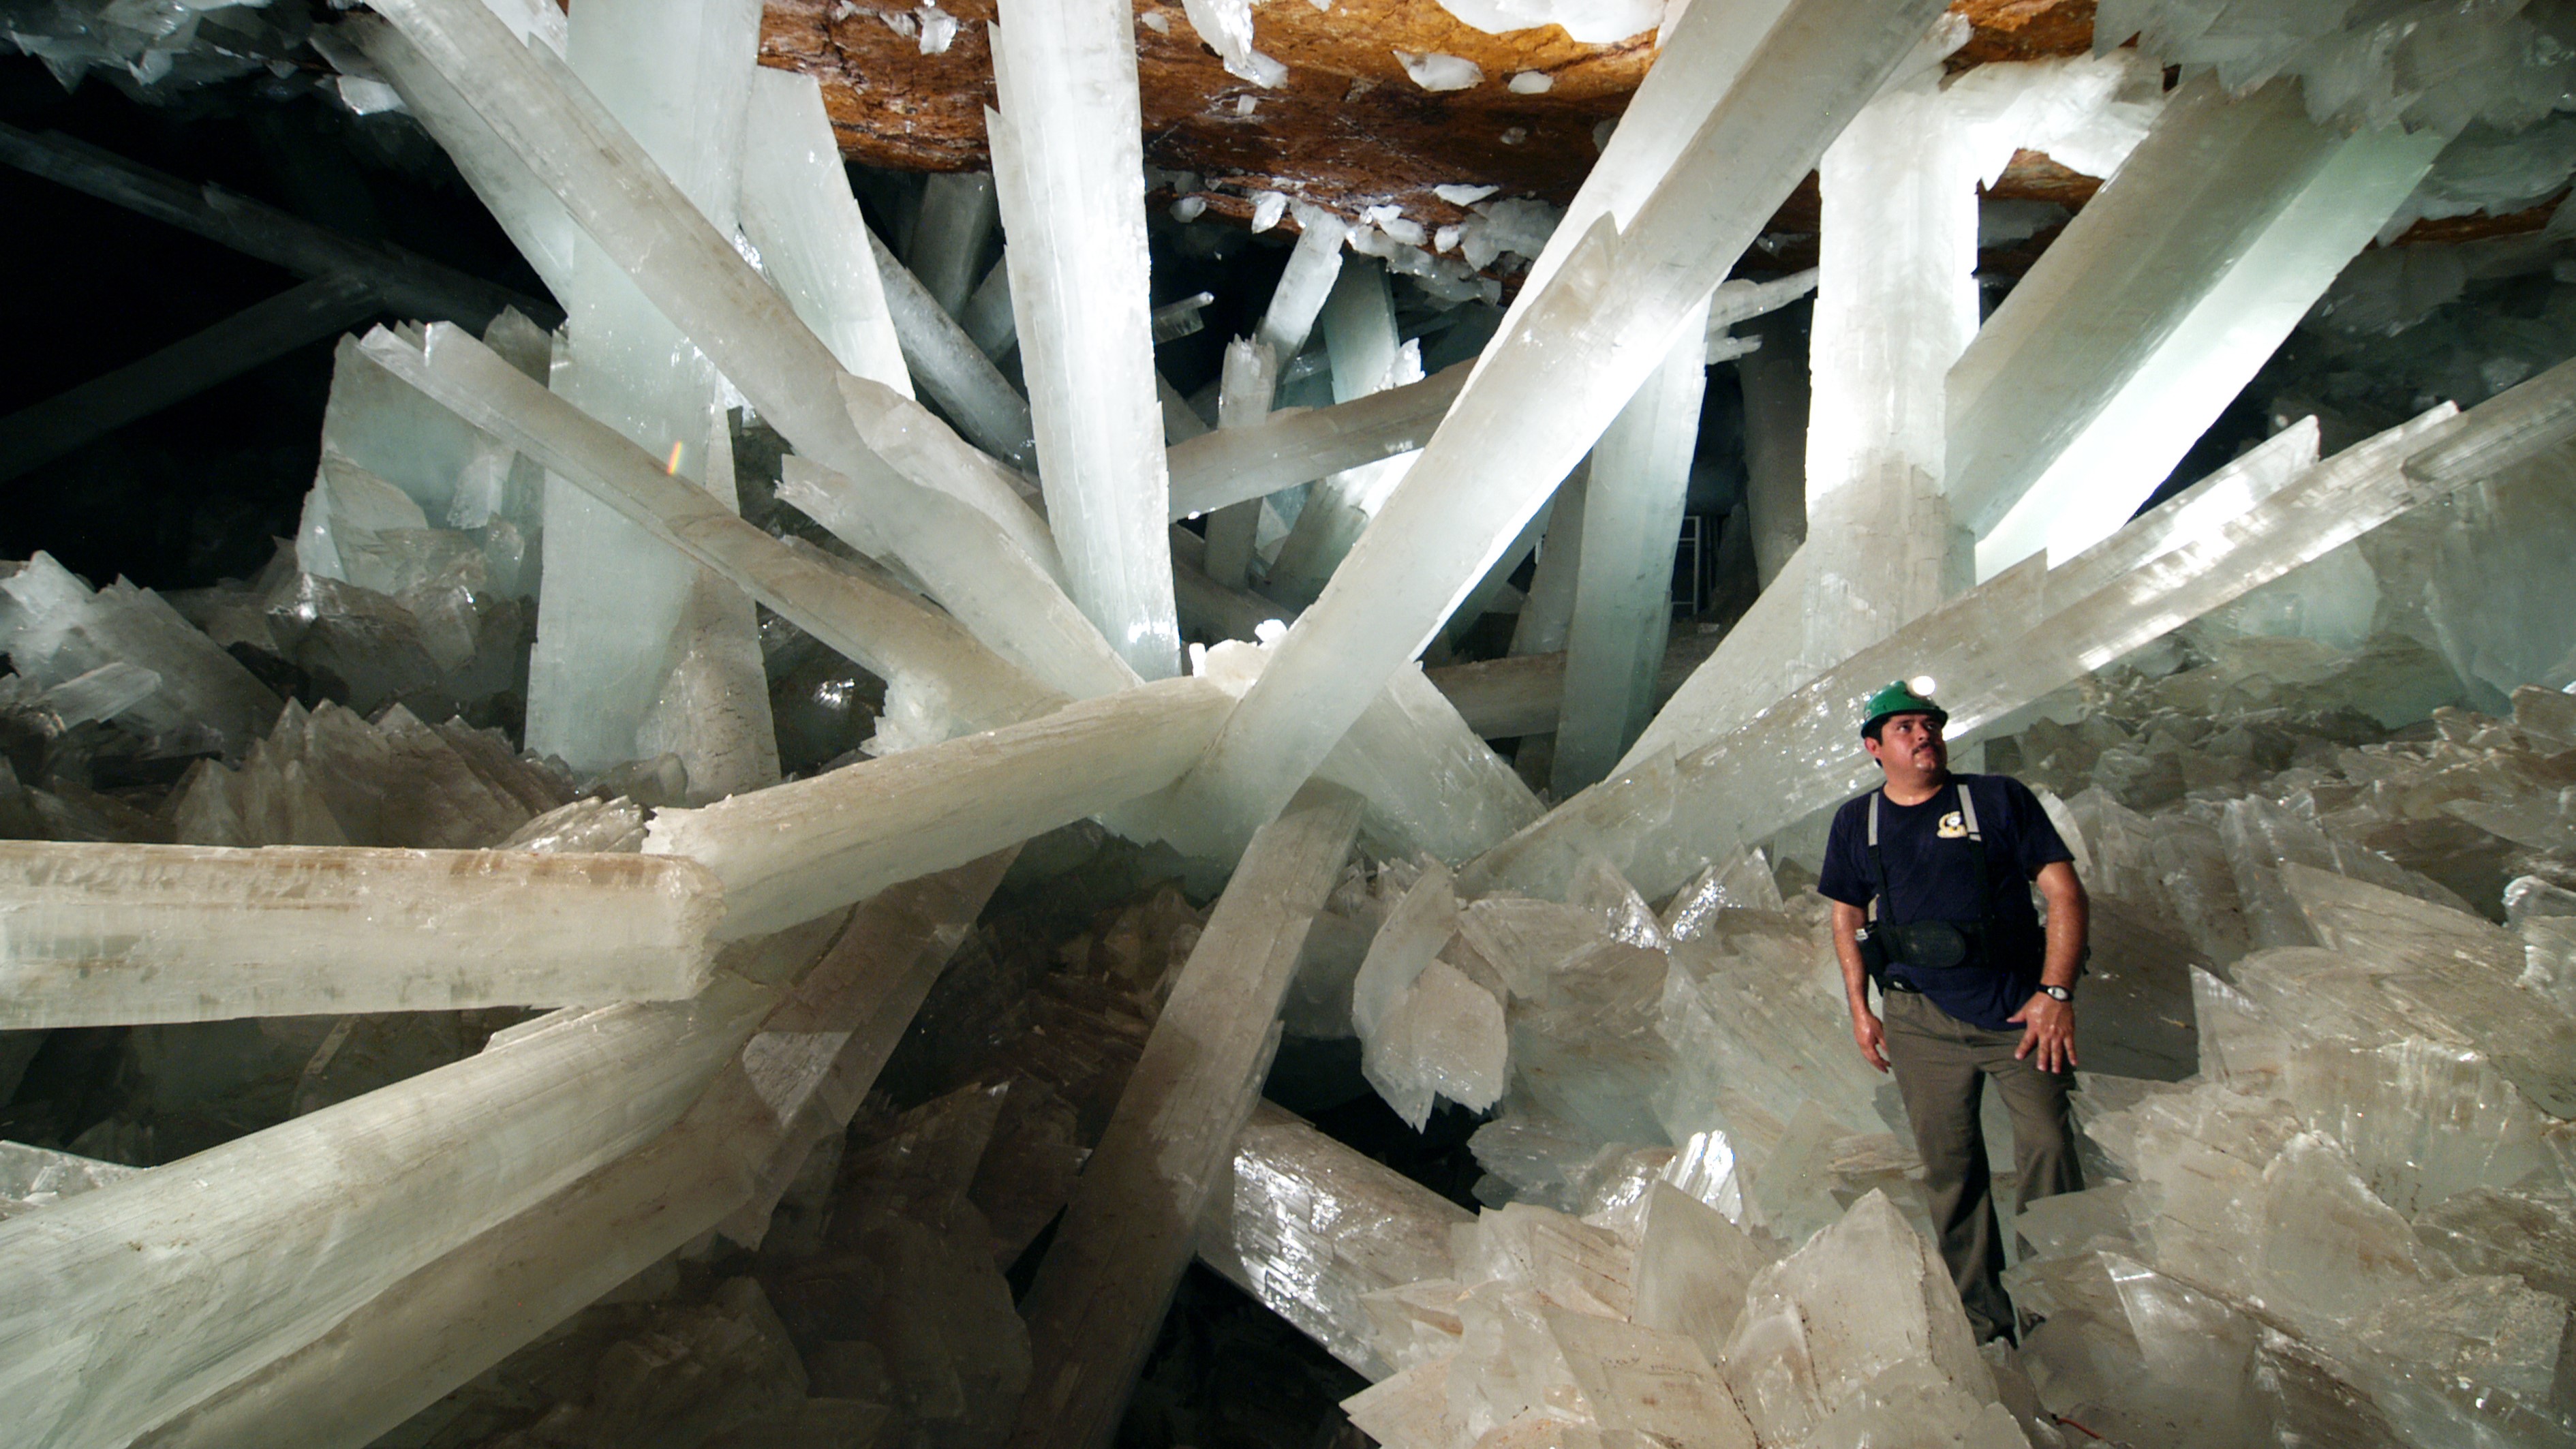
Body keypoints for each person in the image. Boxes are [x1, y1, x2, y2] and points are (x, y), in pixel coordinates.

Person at [1816, 679, 2088, 1345]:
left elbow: (2064, 892)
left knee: (2051, 1147)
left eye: (1929, 723)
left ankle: (2061, 1319)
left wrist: (2055, 995)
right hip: (1919, 1020)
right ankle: (1985, 1325)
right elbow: (1846, 916)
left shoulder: (1997, 800)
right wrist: (1861, 1007)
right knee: (1951, 1172)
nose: (1923, 735)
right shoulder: (1860, 821)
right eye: (1904, 727)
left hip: (2017, 1013)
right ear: (1874, 747)